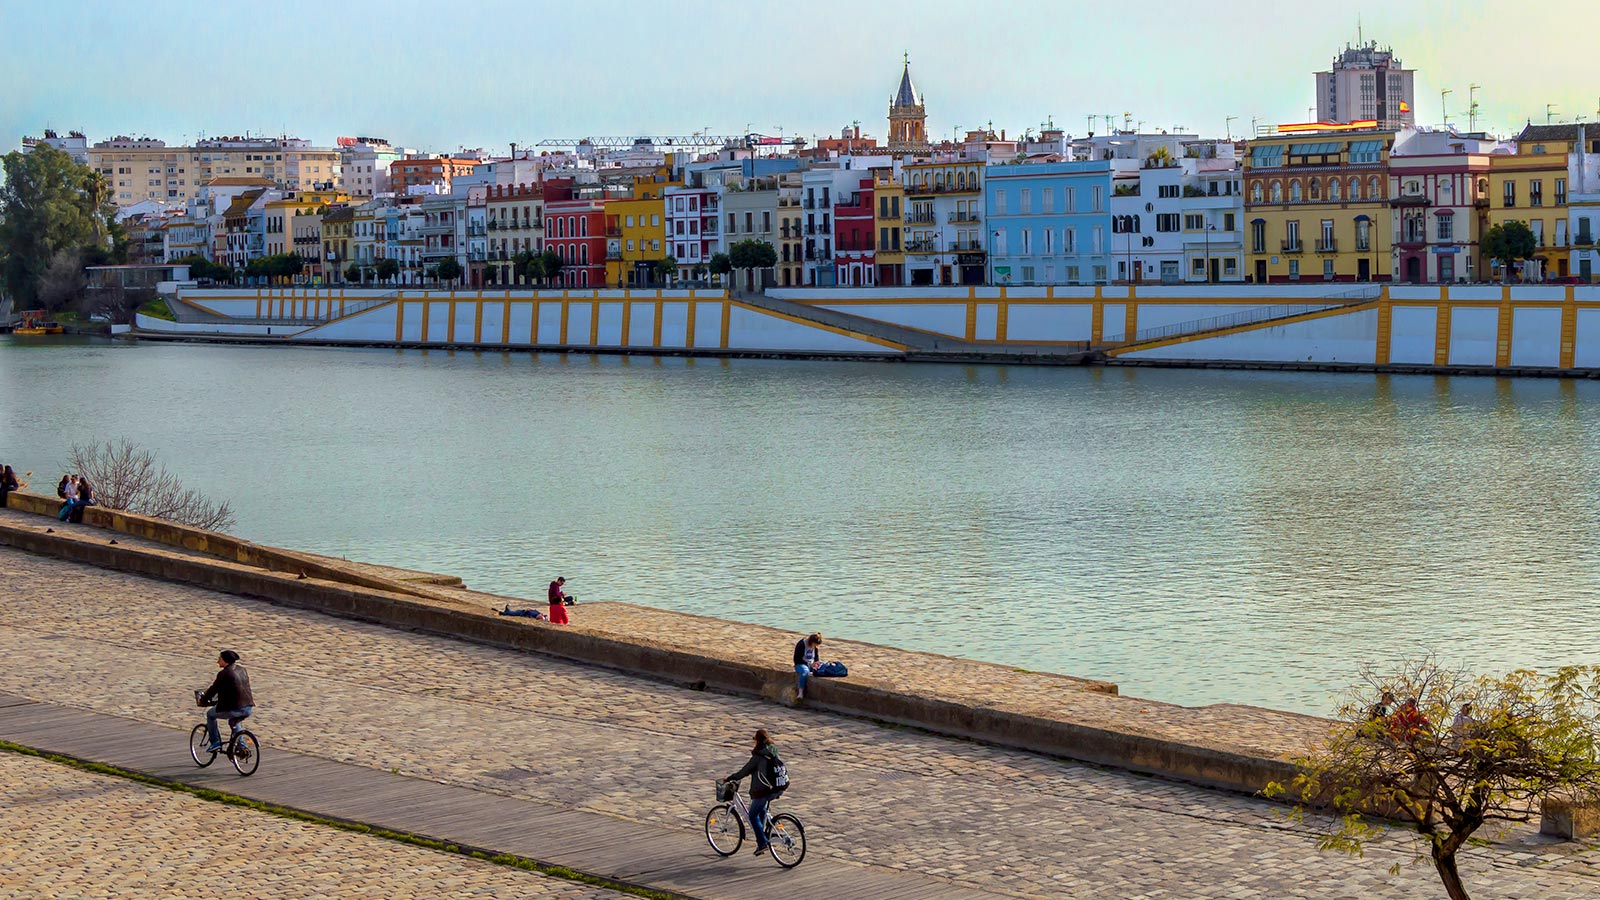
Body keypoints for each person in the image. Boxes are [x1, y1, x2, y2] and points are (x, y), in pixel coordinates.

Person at [724, 729, 788, 856]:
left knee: (753, 815)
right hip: (778, 787)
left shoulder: (758, 756)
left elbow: (744, 771)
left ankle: (762, 843)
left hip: (763, 791)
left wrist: (731, 778)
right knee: (760, 809)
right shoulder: (772, 751)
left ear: (757, 741)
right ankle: (765, 832)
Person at [197, 649, 255, 753]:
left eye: (219, 659)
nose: (217, 661)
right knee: (234, 722)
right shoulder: (242, 669)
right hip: (248, 706)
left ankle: (215, 742)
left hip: (235, 708)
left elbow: (213, 689)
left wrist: (204, 699)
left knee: (210, 714)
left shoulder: (224, 673)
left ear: (225, 660)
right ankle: (241, 746)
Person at [793, 633, 822, 701]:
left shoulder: (815, 646)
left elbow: (816, 657)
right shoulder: (802, 644)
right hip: (800, 664)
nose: (815, 646)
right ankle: (800, 693)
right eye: (814, 644)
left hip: (811, 663)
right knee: (805, 672)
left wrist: (816, 662)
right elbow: (796, 659)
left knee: (822, 668)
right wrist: (808, 664)